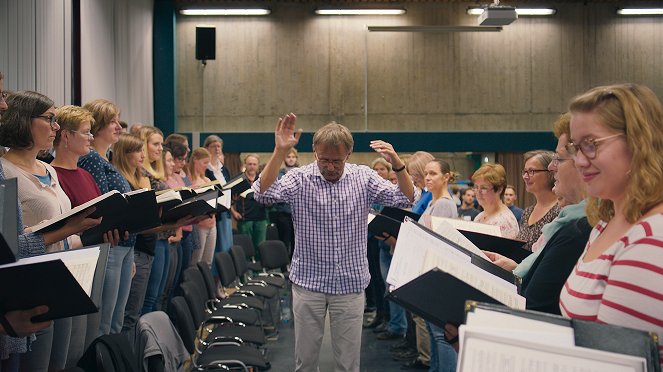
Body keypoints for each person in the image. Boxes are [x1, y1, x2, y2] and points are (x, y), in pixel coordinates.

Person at [253, 114, 414, 372]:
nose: (329, 167)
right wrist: (279, 152)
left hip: (350, 284)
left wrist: (398, 166)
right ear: (314, 153)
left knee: (348, 364)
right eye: (323, 160)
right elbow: (263, 195)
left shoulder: (363, 177)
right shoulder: (299, 178)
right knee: (304, 362)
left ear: (348, 155)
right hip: (308, 283)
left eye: (336, 161)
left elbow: (406, 199)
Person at [558, 84, 663, 367]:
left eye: (592, 144)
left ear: (638, 143)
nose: (579, 161)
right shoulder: (604, 226)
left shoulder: (649, 241)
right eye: (575, 148)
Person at [0, 91, 101, 371]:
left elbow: (63, 225)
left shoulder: (48, 168)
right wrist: (68, 228)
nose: (56, 128)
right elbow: (14, 240)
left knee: (66, 362)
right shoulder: (5, 171)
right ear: (23, 121)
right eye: (49, 119)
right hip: (33, 282)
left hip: (63, 274)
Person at [483, 113, 592, 315]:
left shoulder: (577, 227)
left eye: (558, 158)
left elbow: (538, 302)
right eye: (524, 171)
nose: (552, 167)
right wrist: (515, 266)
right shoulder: (534, 213)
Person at [79, 99, 136, 336]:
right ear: (98, 125)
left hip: (124, 244)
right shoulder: (91, 158)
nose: (118, 126)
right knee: (105, 322)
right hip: (111, 244)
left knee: (116, 320)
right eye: (112, 121)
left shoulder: (106, 159)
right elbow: (103, 203)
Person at [418, 159, 459, 372]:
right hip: (429, 269)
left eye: (433, 173)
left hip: (438, 272)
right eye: (426, 173)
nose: (427, 177)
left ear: (446, 177)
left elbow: (437, 242)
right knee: (434, 333)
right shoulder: (434, 202)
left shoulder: (444, 203)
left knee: (440, 334)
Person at [516, 151, 561, 251]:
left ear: (550, 172)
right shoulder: (527, 212)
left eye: (531, 171)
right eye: (525, 172)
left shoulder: (560, 210)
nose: (525, 177)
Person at [232, 154, 268, 255]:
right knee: (245, 248)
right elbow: (227, 197)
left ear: (258, 165)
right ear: (245, 165)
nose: (252, 166)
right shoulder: (238, 179)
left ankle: (260, 269)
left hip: (261, 218)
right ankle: (247, 269)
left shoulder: (263, 179)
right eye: (249, 164)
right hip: (244, 219)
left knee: (261, 248)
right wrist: (233, 212)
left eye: (254, 164)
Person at [472, 163, 520, 238]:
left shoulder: (505, 221)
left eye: (484, 188)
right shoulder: (479, 217)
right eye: (476, 187)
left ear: (499, 189)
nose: (478, 192)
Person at [204, 135, 233, 256]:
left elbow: (228, 186)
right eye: (213, 146)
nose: (216, 149)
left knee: (227, 245)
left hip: (226, 211)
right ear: (207, 148)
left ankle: (225, 273)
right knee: (217, 247)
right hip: (215, 213)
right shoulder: (206, 169)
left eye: (219, 146)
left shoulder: (223, 169)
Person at [188, 148, 217, 267]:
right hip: (199, 225)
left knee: (207, 262)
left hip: (212, 224)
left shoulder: (206, 179)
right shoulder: (189, 179)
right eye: (204, 163)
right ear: (195, 160)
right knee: (196, 261)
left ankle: (205, 285)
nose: (206, 166)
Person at [268, 148, 299, 255]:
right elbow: (276, 190)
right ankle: (283, 266)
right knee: (284, 240)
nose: (291, 159)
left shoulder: (301, 172)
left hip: (298, 213)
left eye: (293, 157)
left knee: (296, 241)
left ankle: (294, 264)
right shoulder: (279, 173)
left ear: (296, 158)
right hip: (282, 212)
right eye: (288, 157)